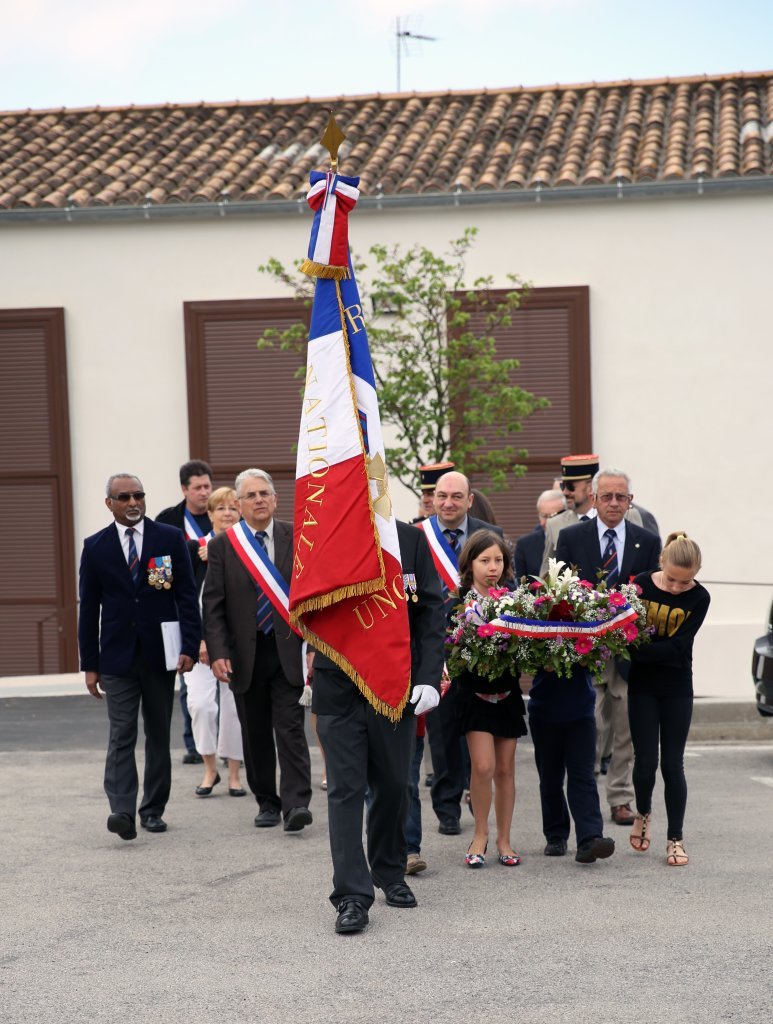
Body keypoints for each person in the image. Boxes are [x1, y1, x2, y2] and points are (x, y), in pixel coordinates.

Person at [313, 521, 445, 935]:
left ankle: (389, 871)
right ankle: (351, 894)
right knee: (345, 789)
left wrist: (426, 675)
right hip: (338, 681)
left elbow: (430, 610)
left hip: (394, 681)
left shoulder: (409, 539)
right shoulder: (323, 533)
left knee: (394, 784)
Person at [78, 474, 201, 840]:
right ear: (109, 503)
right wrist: (90, 664)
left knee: (159, 733)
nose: (133, 502)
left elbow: (185, 595)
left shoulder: (168, 538)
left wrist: (189, 647)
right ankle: (121, 810)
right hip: (116, 657)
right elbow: (89, 611)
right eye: (124, 497)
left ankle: (152, 810)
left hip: (160, 655)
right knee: (122, 733)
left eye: (138, 495)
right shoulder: (96, 546)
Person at [202, 469, 312, 832]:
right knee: (256, 732)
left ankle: (296, 803)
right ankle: (267, 801)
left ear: (276, 499)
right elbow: (214, 604)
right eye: (251, 496)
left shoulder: (296, 536)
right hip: (245, 655)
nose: (259, 500)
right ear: (238, 503)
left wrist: (313, 645)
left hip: (287, 650)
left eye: (265, 493)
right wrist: (217, 651)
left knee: (290, 728)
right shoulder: (223, 545)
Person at [556, 468, 661, 826]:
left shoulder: (646, 542)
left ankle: (620, 797)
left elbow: (650, 597)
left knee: (626, 726)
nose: (614, 503)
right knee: (588, 724)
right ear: (595, 499)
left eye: (622, 497)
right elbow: (561, 589)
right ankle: (584, 795)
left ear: (630, 501)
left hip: (629, 653)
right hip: (585, 649)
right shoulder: (571, 537)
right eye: (607, 496)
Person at [422, 469, 503, 836]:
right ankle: (447, 806)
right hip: (434, 648)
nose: (448, 503)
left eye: (456, 497)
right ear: (432, 498)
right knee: (441, 732)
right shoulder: (416, 536)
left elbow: (507, 585)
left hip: (481, 651)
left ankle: (477, 793)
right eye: (442, 496)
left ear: (470, 500)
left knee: (478, 726)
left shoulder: (490, 535)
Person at [627, 533, 710, 867]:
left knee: (673, 763)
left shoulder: (700, 597)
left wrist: (640, 651)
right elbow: (626, 634)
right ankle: (643, 813)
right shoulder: (641, 584)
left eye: (685, 582)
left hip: (677, 686)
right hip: (642, 686)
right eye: (672, 580)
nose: (677, 588)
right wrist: (640, 651)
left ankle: (675, 837)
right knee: (645, 761)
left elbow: (679, 647)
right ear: (662, 563)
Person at [456, 530, 526, 868]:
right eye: (485, 560)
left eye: (498, 560)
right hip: (474, 696)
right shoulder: (459, 603)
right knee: (482, 766)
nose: (492, 567)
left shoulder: (517, 601)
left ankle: (504, 840)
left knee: (505, 769)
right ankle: (480, 833)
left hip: (508, 694)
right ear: (470, 564)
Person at [184, 486, 245, 797]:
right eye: (220, 509)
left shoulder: (249, 550)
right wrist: (198, 640)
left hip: (237, 643)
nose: (227, 514)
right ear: (209, 515)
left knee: (235, 707)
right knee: (200, 705)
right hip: (200, 643)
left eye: (233, 508)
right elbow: (186, 600)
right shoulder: (195, 552)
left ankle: (234, 773)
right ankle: (210, 769)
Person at [156, 458, 215, 765]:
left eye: (208, 486)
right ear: (184, 489)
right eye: (198, 487)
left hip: (216, 607)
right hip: (179, 608)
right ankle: (193, 745)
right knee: (187, 678)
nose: (205, 493)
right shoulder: (167, 520)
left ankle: (228, 746)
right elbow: (157, 569)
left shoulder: (221, 514)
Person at [514, 489, 566, 580]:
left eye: (553, 516)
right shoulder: (525, 544)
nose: (548, 522)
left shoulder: (575, 540)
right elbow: (520, 583)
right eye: (544, 516)